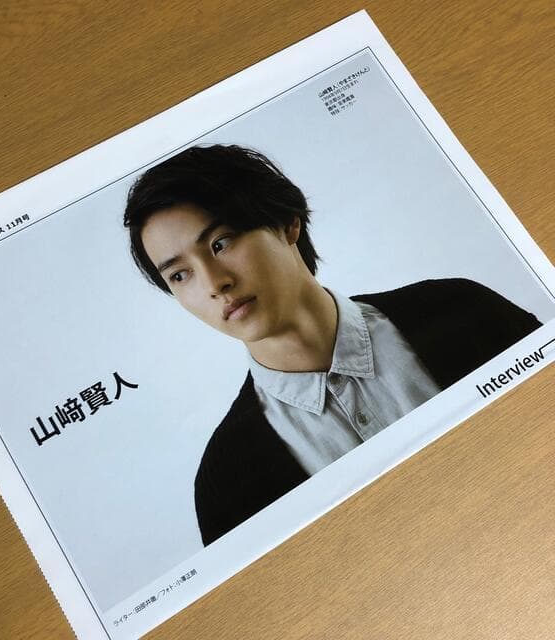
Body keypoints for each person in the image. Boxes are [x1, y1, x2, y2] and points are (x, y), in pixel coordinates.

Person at [124, 144, 541, 546]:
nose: (214, 284)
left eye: (221, 243)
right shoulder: (226, 478)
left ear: (287, 222)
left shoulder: (461, 308)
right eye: (179, 275)